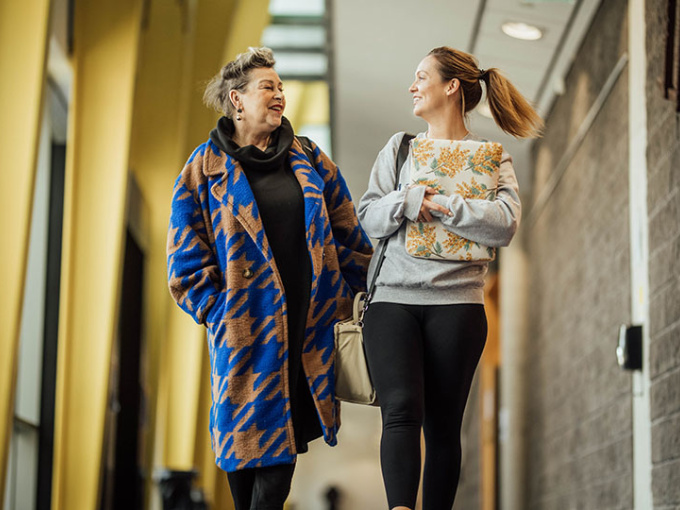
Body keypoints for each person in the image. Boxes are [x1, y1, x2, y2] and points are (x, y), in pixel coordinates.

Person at [166, 47, 372, 510]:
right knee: (242, 469)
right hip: (243, 336)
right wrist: (220, 311)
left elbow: (350, 235)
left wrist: (351, 294)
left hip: (306, 333)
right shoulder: (201, 171)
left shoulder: (310, 160)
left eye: (280, 87)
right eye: (268, 87)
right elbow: (183, 262)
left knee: (277, 470)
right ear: (236, 100)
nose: (279, 95)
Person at [357, 46, 543, 510]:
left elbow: (505, 224)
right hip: (392, 300)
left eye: (422, 77)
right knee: (399, 411)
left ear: (451, 86)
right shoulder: (400, 149)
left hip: (458, 305)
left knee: (443, 427)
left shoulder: (490, 158)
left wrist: (447, 206)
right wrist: (409, 200)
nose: (412, 86)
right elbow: (368, 216)